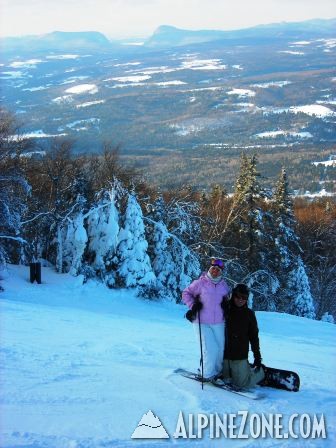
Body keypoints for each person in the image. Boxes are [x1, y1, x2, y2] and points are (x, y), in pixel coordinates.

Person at [182, 258, 230, 380]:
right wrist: (193, 305)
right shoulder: (200, 283)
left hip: (219, 322)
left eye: (218, 269)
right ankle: (207, 373)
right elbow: (185, 293)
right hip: (201, 321)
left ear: (221, 272)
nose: (215, 271)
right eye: (213, 268)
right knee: (210, 348)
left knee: (221, 348)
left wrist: (226, 305)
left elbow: (227, 299)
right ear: (209, 269)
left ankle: (218, 372)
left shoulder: (224, 285)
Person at [222, 283, 265, 389]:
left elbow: (254, 337)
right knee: (223, 379)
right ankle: (244, 369)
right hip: (223, 355)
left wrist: (257, 357)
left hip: (239, 356)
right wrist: (194, 310)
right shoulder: (224, 309)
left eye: (244, 298)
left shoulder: (249, 314)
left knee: (242, 385)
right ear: (233, 295)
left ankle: (261, 372)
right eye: (238, 296)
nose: (240, 300)